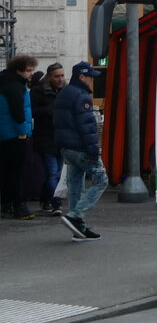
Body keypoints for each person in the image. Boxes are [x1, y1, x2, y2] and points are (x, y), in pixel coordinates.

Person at [54, 61, 107, 240]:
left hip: (67, 147)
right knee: (101, 179)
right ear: (82, 77)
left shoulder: (64, 93)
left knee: (76, 185)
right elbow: (87, 127)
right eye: (90, 76)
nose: (92, 80)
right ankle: (75, 216)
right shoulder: (81, 96)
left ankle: (79, 228)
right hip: (81, 147)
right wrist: (94, 151)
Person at [0, 53, 37, 220]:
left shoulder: (5, 81)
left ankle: (6, 204)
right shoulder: (15, 86)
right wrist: (23, 132)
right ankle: (19, 206)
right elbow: (17, 111)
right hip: (15, 135)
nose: (31, 74)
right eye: (28, 70)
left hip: (5, 133)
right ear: (18, 70)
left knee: (7, 172)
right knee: (17, 172)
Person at [31, 61, 66, 216]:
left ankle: (47, 200)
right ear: (49, 77)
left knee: (57, 173)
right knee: (53, 172)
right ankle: (55, 202)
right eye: (56, 76)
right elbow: (31, 111)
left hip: (60, 138)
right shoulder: (39, 91)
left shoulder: (65, 90)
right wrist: (50, 110)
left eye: (62, 75)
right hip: (45, 138)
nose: (60, 79)